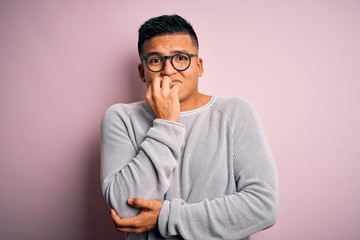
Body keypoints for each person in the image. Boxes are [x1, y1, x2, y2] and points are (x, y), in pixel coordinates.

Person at [101, 14, 278, 240]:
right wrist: (167, 122)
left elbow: (262, 206)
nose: (169, 70)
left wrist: (164, 217)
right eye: (156, 60)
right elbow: (125, 211)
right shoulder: (120, 118)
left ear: (199, 66)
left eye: (181, 58)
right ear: (142, 72)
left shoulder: (235, 113)